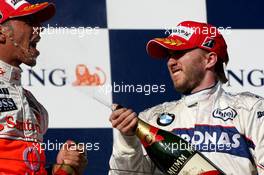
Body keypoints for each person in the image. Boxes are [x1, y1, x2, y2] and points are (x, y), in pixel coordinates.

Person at [108, 21, 264, 175]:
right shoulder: (150, 119)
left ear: (209, 60)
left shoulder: (250, 110)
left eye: (178, 53)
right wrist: (128, 140)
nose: (170, 62)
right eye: (169, 55)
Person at [0, 0, 87, 174]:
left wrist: (63, 168)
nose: (39, 30)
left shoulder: (33, 104)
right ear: (1, 32)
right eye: (29, 22)